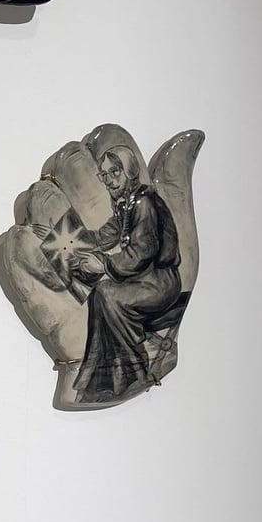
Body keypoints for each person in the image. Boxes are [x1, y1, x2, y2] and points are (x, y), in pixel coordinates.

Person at [73, 146, 182, 404]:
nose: (109, 180)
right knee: (100, 293)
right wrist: (75, 242)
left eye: (115, 172)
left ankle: (134, 371)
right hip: (144, 278)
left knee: (109, 296)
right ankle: (105, 377)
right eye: (104, 175)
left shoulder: (144, 202)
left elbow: (142, 252)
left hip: (161, 281)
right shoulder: (126, 202)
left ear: (129, 171)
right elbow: (106, 234)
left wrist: (103, 264)